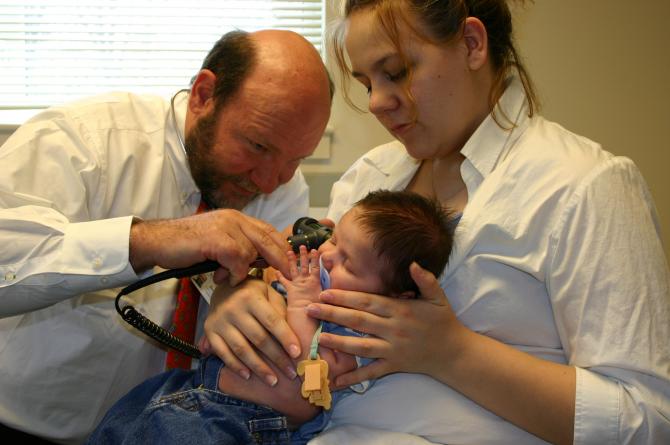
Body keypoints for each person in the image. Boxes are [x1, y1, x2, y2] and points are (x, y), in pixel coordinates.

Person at [201, 2, 670, 444]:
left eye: (397, 72)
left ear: (471, 43)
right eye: (366, 83)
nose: (378, 102)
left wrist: (452, 353)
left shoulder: (584, 187)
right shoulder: (371, 175)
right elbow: (301, 289)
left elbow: (646, 419)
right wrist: (239, 296)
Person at [0, 29, 332, 443]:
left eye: (295, 159)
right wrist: (144, 242)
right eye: (257, 145)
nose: (270, 182)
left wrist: (241, 287)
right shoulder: (82, 141)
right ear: (204, 95)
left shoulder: (283, 184)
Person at [86, 190, 455, 445]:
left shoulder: (359, 334)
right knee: (115, 427)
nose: (327, 256)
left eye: (348, 263)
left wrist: (300, 303)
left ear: (395, 296)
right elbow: (256, 287)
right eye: (335, 240)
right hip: (186, 389)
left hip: (240, 422)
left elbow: (306, 384)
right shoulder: (309, 276)